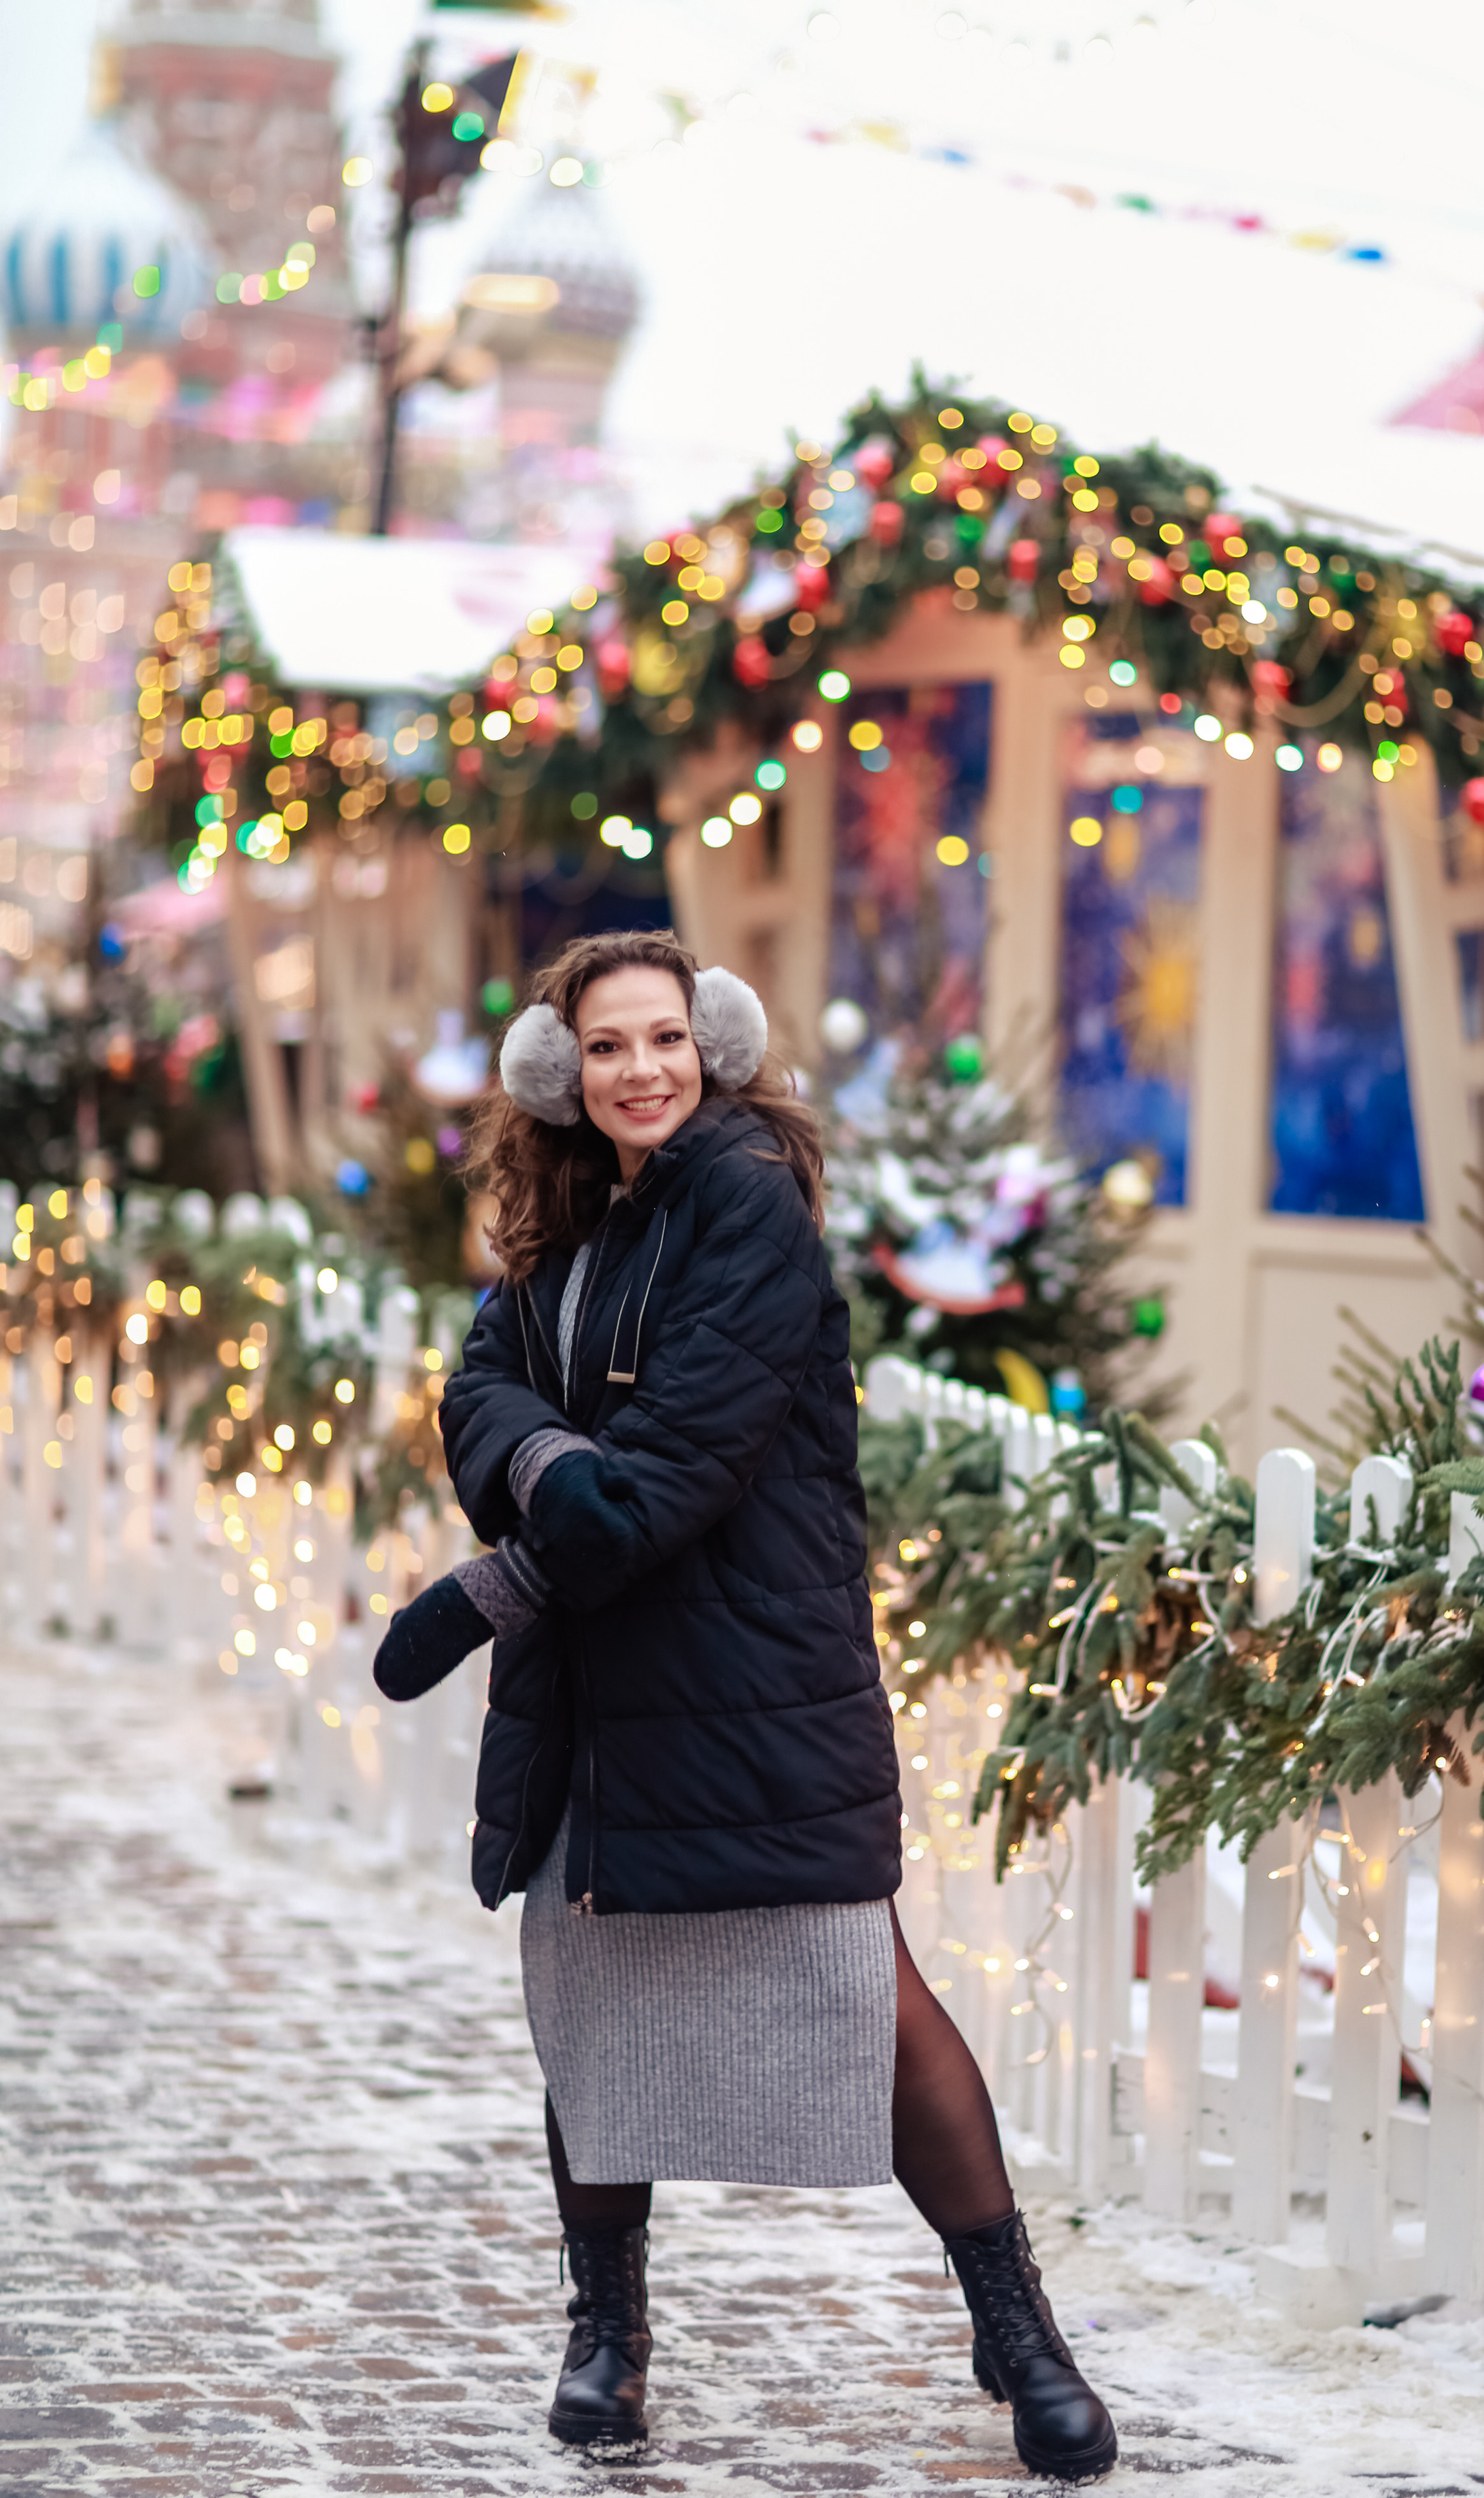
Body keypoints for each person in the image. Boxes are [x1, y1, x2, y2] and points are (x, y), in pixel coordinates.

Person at [374, 929, 1116, 2481]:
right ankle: (608, 2336)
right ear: (557, 1073)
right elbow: (479, 1388)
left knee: (862, 1987)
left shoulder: (744, 1204)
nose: (637, 1070)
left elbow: (677, 1471)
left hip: (747, 1684)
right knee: (591, 2010)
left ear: (708, 1048)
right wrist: (538, 1457)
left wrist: (490, 1585)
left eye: (662, 1039)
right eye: (603, 1048)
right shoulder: (573, 1228)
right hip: (600, 1692)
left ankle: (1017, 2333)